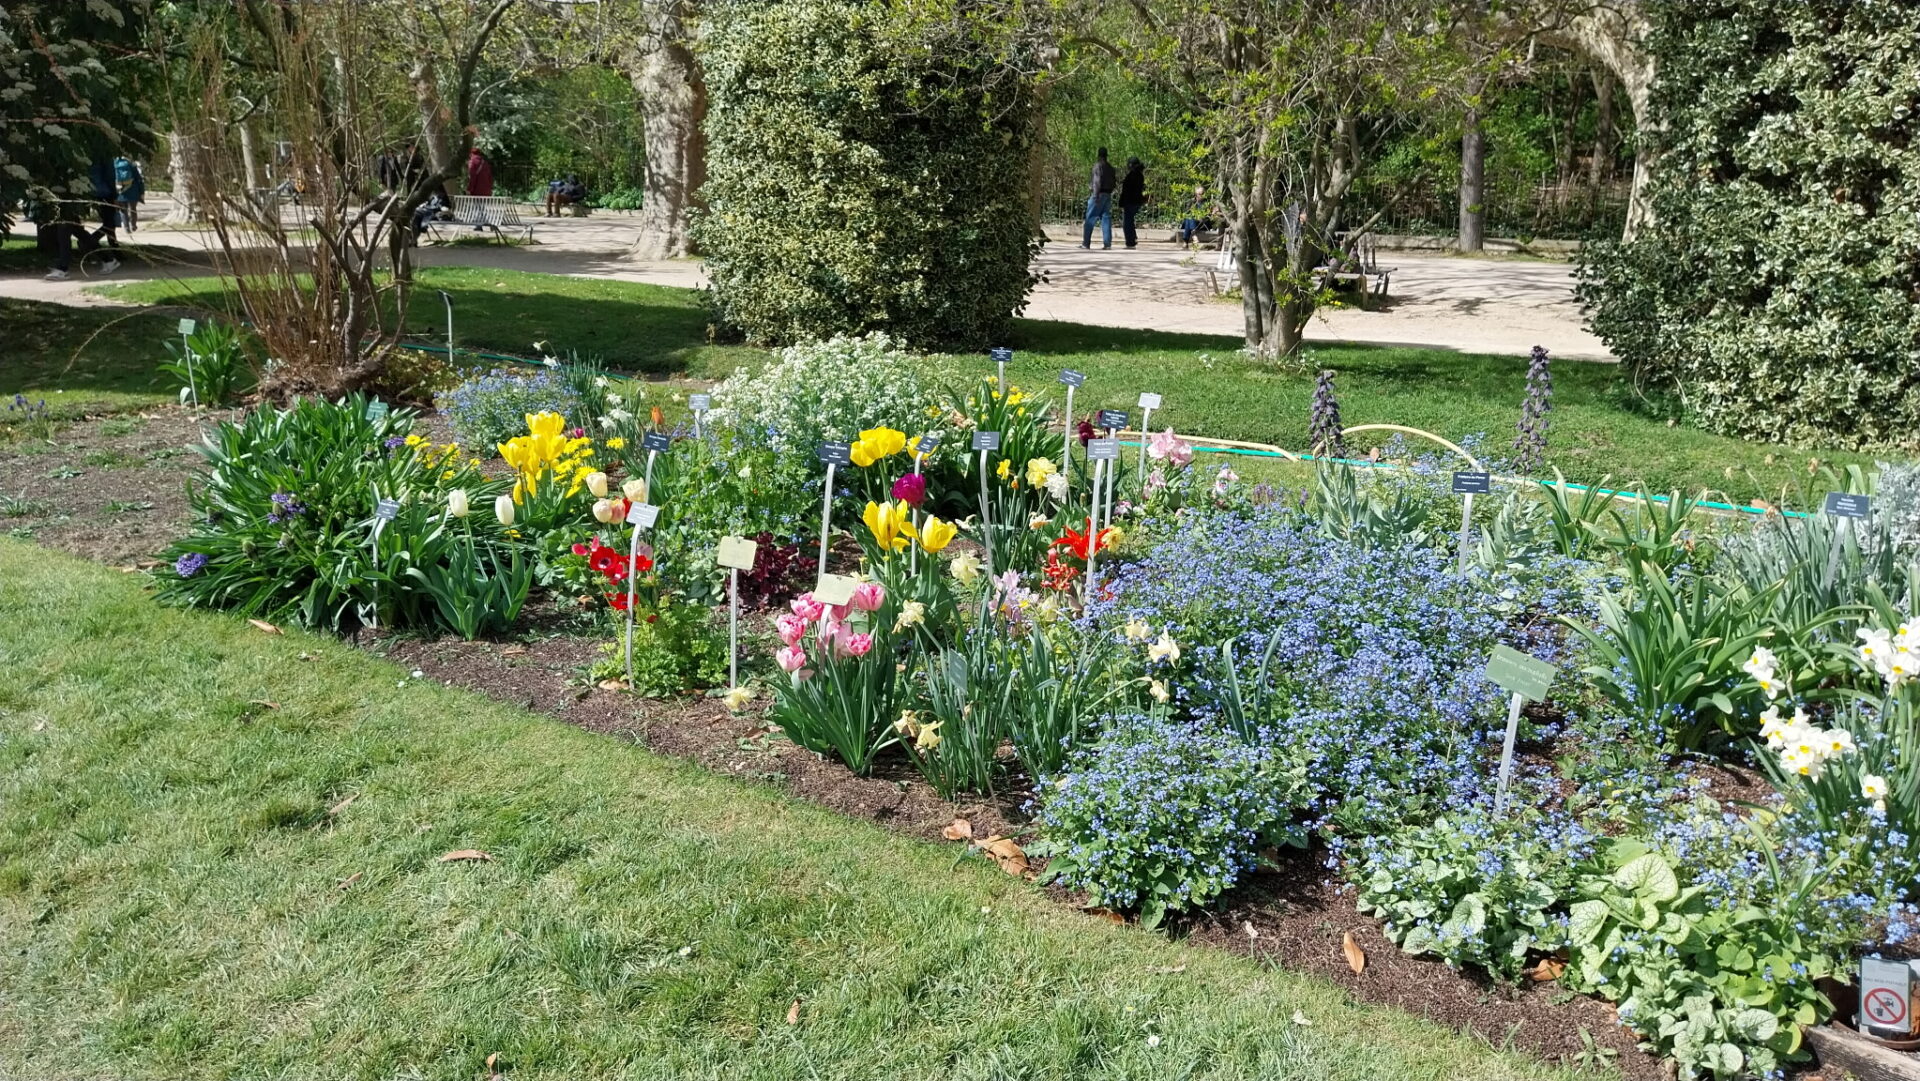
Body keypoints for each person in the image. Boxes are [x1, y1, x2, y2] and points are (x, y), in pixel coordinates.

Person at [1081, 147, 1116, 250]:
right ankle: (1107, 244)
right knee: (1106, 219)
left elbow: (1097, 181)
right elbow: (1114, 182)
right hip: (1107, 194)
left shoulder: (1098, 166)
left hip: (1099, 194)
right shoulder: (1110, 168)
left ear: (1099, 155)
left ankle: (1086, 243)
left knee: (1090, 218)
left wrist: (1096, 195)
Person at [1117, 157, 1146, 249]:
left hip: (1130, 201)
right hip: (1135, 201)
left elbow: (1127, 190)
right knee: (1130, 221)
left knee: (1127, 222)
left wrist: (1122, 201)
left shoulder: (1133, 175)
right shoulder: (1139, 175)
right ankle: (1132, 238)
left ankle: (1130, 241)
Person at [113, 155, 144, 232]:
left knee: (123, 210)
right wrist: (141, 191)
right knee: (133, 208)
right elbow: (138, 178)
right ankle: (133, 225)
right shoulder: (131, 164)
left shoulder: (115, 163)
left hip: (120, 189)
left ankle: (126, 227)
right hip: (133, 189)